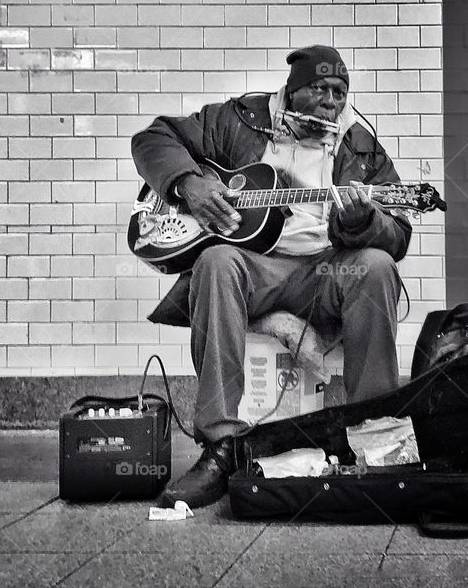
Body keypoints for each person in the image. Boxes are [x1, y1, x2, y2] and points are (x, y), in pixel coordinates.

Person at [130, 45, 412, 508]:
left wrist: (364, 222)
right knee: (216, 261)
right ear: (292, 90)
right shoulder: (238, 120)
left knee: (377, 266)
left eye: (340, 93)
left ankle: (376, 438)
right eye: (319, 89)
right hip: (255, 267)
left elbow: (398, 234)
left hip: (326, 270)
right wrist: (189, 184)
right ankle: (220, 445)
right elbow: (153, 139)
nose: (331, 102)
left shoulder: (359, 146)